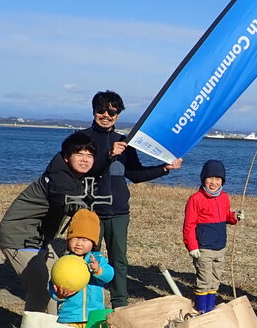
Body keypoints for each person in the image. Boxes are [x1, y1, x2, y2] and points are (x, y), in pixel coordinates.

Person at [70, 90, 183, 308]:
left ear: (118, 115)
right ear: (93, 111)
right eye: (101, 110)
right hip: (89, 211)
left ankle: (119, 304)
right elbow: (80, 170)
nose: (106, 115)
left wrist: (164, 169)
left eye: (112, 111)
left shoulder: (124, 142)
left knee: (119, 261)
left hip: (119, 212)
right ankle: (81, 303)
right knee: (85, 258)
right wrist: (108, 155)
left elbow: (135, 174)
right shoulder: (81, 139)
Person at [0, 132, 96, 313]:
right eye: (79, 154)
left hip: (38, 239)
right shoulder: (59, 178)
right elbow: (63, 198)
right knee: (41, 290)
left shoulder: (72, 175)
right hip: (18, 236)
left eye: (89, 155)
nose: (85, 160)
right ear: (66, 157)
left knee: (57, 283)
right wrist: (82, 212)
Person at [182, 159, 241, 313]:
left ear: (222, 181)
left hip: (220, 246)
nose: (213, 182)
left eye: (218, 179)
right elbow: (189, 225)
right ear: (203, 179)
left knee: (215, 280)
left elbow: (227, 216)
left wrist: (235, 216)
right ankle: (202, 310)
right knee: (204, 280)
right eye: (210, 178)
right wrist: (192, 246)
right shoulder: (196, 199)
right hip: (203, 248)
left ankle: (211, 308)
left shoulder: (224, 197)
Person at [51, 209, 114, 327]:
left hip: (94, 317)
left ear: (93, 243)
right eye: (75, 238)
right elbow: (52, 284)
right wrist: (59, 296)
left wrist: (98, 270)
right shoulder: (64, 263)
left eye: (85, 240)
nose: (79, 243)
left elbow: (109, 275)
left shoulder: (97, 259)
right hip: (69, 316)